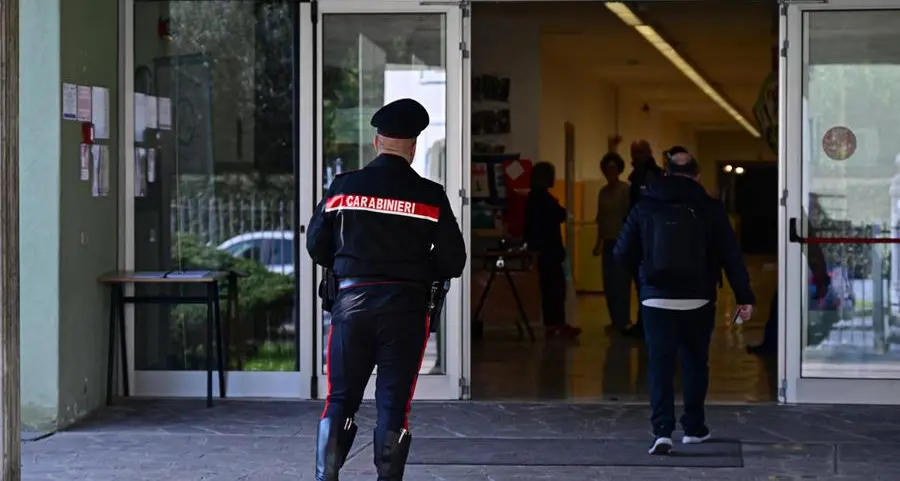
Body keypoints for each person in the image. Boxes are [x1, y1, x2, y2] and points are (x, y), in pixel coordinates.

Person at [306, 98, 467, 481]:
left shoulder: (344, 187)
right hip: (406, 311)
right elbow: (453, 262)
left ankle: (325, 477)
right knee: (394, 405)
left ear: (376, 142)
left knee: (341, 399)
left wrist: (350, 263)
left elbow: (316, 245)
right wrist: (413, 270)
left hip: (351, 305)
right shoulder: (430, 196)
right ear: (413, 147)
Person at [614, 146, 755, 455]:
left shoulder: (645, 206)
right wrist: (744, 297)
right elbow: (731, 256)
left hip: (655, 300)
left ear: (665, 173)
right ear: (698, 175)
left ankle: (662, 431)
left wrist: (645, 275)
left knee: (660, 365)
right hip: (698, 298)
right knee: (694, 362)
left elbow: (621, 253)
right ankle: (693, 428)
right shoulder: (711, 208)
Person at [524, 162, 582, 339]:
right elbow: (560, 215)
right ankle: (556, 324)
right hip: (550, 251)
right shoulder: (544, 199)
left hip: (543, 251)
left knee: (551, 289)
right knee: (555, 290)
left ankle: (554, 324)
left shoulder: (534, 198)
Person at [623, 140, 664, 339]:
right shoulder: (643, 175)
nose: (635, 156)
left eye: (639, 152)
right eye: (633, 152)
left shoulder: (649, 176)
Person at [591, 152, 633, 333]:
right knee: (608, 283)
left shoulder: (626, 190)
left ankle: (623, 319)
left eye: (613, 168)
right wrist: (598, 242)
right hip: (608, 241)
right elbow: (601, 218)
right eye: (607, 169)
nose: (610, 172)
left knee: (621, 283)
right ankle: (614, 319)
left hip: (622, 242)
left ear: (619, 170)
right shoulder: (603, 192)